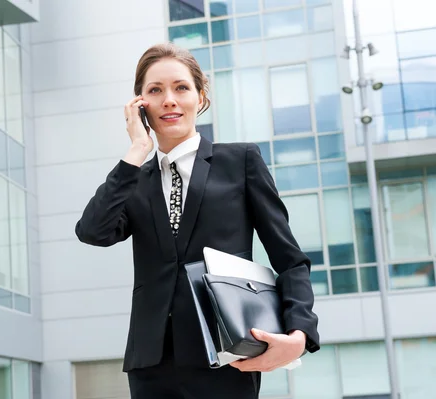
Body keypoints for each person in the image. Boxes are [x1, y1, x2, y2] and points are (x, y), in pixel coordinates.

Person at [75, 42, 320, 399]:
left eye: (181, 88)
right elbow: (93, 231)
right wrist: (136, 152)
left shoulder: (241, 162)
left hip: (227, 353)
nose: (169, 100)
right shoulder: (133, 180)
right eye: (155, 91)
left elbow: (290, 259)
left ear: (200, 97)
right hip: (151, 365)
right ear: (139, 105)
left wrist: (299, 335)